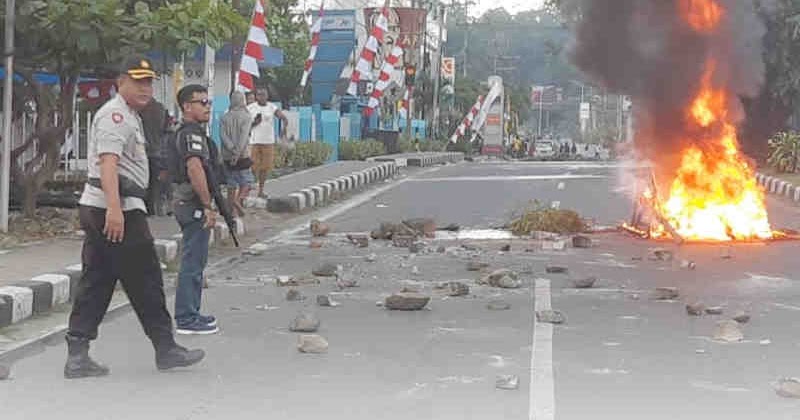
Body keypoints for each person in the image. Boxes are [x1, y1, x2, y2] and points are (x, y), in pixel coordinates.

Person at [65, 56, 205, 379]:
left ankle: (78, 352)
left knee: (98, 279)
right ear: (120, 82)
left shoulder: (130, 115)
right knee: (146, 279)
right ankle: (166, 349)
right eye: (138, 81)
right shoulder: (116, 116)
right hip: (117, 208)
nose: (145, 87)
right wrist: (115, 210)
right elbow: (108, 164)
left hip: (110, 206)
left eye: (149, 82)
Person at [169, 84, 221, 335]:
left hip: (187, 203)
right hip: (191, 205)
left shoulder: (192, 132)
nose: (207, 106)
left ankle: (191, 313)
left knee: (195, 260)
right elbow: (195, 169)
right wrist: (207, 205)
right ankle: (187, 317)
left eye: (208, 102)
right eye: (202, 102)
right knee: (193, 261)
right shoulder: (191, 135)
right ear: (187, 107)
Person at [248, 88, 288, 198]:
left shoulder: (272, 107)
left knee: (265, 167)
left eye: (264, 94)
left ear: (267, 96)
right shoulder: (251, 108)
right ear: (256, 96)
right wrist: (254, 123)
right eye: (259, 95)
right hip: (254, 141)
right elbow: (245, 125)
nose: (261, 97)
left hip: (268, 141)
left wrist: (284, 129)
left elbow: (284, 118)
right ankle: (247, 189)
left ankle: (261, 190)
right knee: (252, 166)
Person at [221, 91, 254, 217]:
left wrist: (231, 149)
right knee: (247, 183)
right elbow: (244, 137)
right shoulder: (246, 117)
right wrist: (237, 153)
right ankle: (238, 200)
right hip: (242, 155)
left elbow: (223, 136)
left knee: (231, 184)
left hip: (227, 155)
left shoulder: (224, 117)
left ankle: (231, 213)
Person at [139, 98, 170, 216]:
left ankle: (146, 207)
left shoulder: (140, 110)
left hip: (143, 150)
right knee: (155, 182)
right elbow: (167, 129)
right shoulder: (161, 109)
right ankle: (154, 207)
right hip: (158, 150)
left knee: (143, 180)